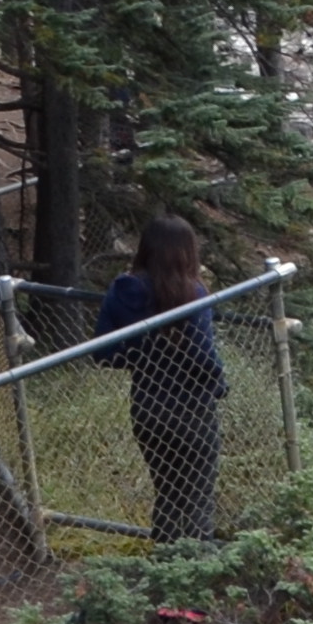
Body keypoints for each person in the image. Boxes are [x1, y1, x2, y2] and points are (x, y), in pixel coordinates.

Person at [98, 211, 227, 544]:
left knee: (167, 492)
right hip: (193, 409)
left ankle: (164, 570)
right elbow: (202, 353)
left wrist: (143, 356)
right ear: (187, 251)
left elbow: (103, 352)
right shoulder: (194, 293)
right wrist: (218, 382)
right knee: (198, 496)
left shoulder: (121, 289)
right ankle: (200, 574)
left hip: (148, 407)